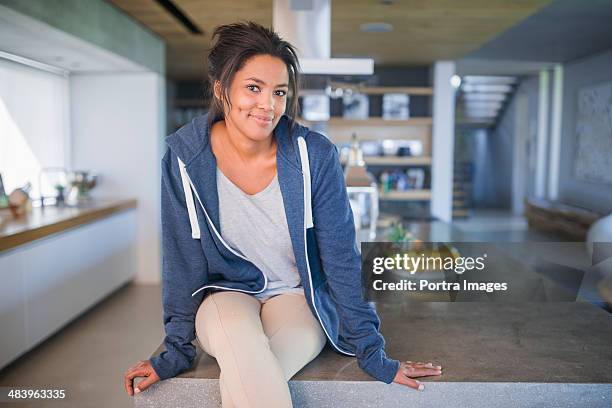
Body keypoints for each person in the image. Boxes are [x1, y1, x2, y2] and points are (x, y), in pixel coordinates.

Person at [124, 21, 442, 407]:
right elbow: (181, 260)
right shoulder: (183, 160)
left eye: (279, 92)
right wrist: (175, 349)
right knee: (241, 344)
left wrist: (371, 351)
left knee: (251, 372)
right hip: (225, 297)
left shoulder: (315, 155)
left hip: (297, 299)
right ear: (221, 89)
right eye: (253, 88)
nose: (268, 105)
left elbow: (340, 256)